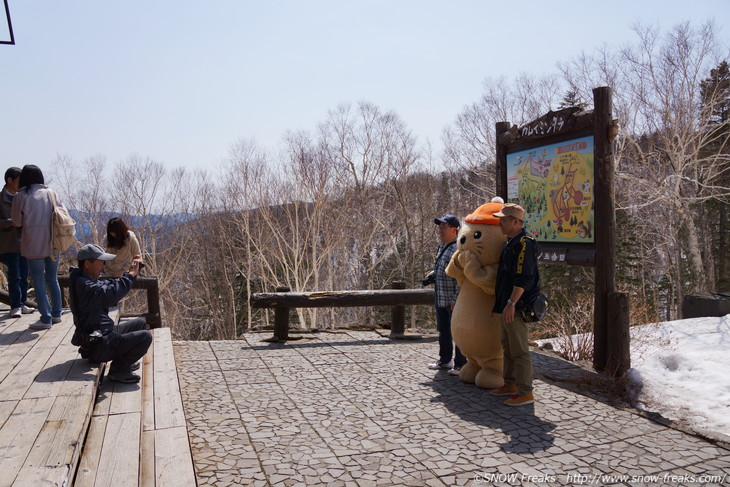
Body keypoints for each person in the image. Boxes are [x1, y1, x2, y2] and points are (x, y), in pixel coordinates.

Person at [70, 243, 151, 384]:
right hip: (98, 344)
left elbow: (108, 285)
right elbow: (109, 293)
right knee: (145, 337)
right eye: (101, 263)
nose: (103, 267)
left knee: (141, 323)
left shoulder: (85, 279)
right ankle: (118, 370)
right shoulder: (83, 285)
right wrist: (129, 276)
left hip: (103, 333)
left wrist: (129, 274)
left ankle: (123, 361)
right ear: (88, 263)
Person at [490, 203, 541, 406]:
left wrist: (512, 302)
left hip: (516, 305)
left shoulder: (525, 243)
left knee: (519, 349)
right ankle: (510, 383)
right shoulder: (510, 242)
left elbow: (523, 277)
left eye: (503, 220)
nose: (500, 223)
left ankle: (525, 391)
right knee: (507, 346)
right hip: (505, 303)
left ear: (515, 221)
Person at [10, 165, 63, 330]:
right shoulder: (51, 193)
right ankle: (57, 314)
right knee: (52, 279)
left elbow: (16, 222)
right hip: (54, 243)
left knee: (38, 281)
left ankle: (45, 318)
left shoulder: (21, 196)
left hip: (33, 244)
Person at [426, 213, 466, 375]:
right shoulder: (441, 247)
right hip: (440, 296)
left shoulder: (458, 249)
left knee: (457, 333)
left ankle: (461, 364)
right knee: (443, 330)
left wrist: (456, 299)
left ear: (455, 229)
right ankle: (445, 360)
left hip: (452, 299)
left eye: (444, 227)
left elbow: (461, 276)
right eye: (440, 227)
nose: (440, 230)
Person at [0, 167, 34, 318]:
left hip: (24, 242)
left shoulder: (23, 197)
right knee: (14, 275)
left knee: (24, 274)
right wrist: (9, 223)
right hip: (8, 243)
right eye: (19, 180)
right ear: (10, 180)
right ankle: (15, 306)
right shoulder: (0, 200)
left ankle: (22, 303)